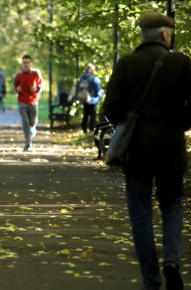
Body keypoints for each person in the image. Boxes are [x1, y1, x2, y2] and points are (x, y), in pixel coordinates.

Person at [104, 12, 191, 290]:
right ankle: (172, 261)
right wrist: (179, 124)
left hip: (136, 152)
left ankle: (151, 280)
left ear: (144, 35)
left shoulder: (127, 64)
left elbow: (112, 110)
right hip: (171, 150)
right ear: (166, 35)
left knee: (140, 213)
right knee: (172, 205)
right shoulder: (182, 63)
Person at [13, 55, 42, 150]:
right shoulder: (18, 74)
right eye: (24, 62)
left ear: (30, 63)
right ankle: (28, 143)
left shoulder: (35, 73)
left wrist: (36, 89)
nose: (25, 64)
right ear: (22, 63)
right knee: (25, 121)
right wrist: (17, 89)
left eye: (27, 62)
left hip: (33, 101)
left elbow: (40, 85)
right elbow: (15, 86)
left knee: (33, 121)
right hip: (22, 101)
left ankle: (33, 127)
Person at [76, 63, 103, 133]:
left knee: (85, 115)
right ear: (92, 70)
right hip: (93, 100)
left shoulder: (82, 78)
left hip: (84, 99)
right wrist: (98, 97)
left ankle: (84, 129)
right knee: (93, 116)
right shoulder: (94, 78)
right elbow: (98, 89)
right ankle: (91, 129)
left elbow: (78, 88)